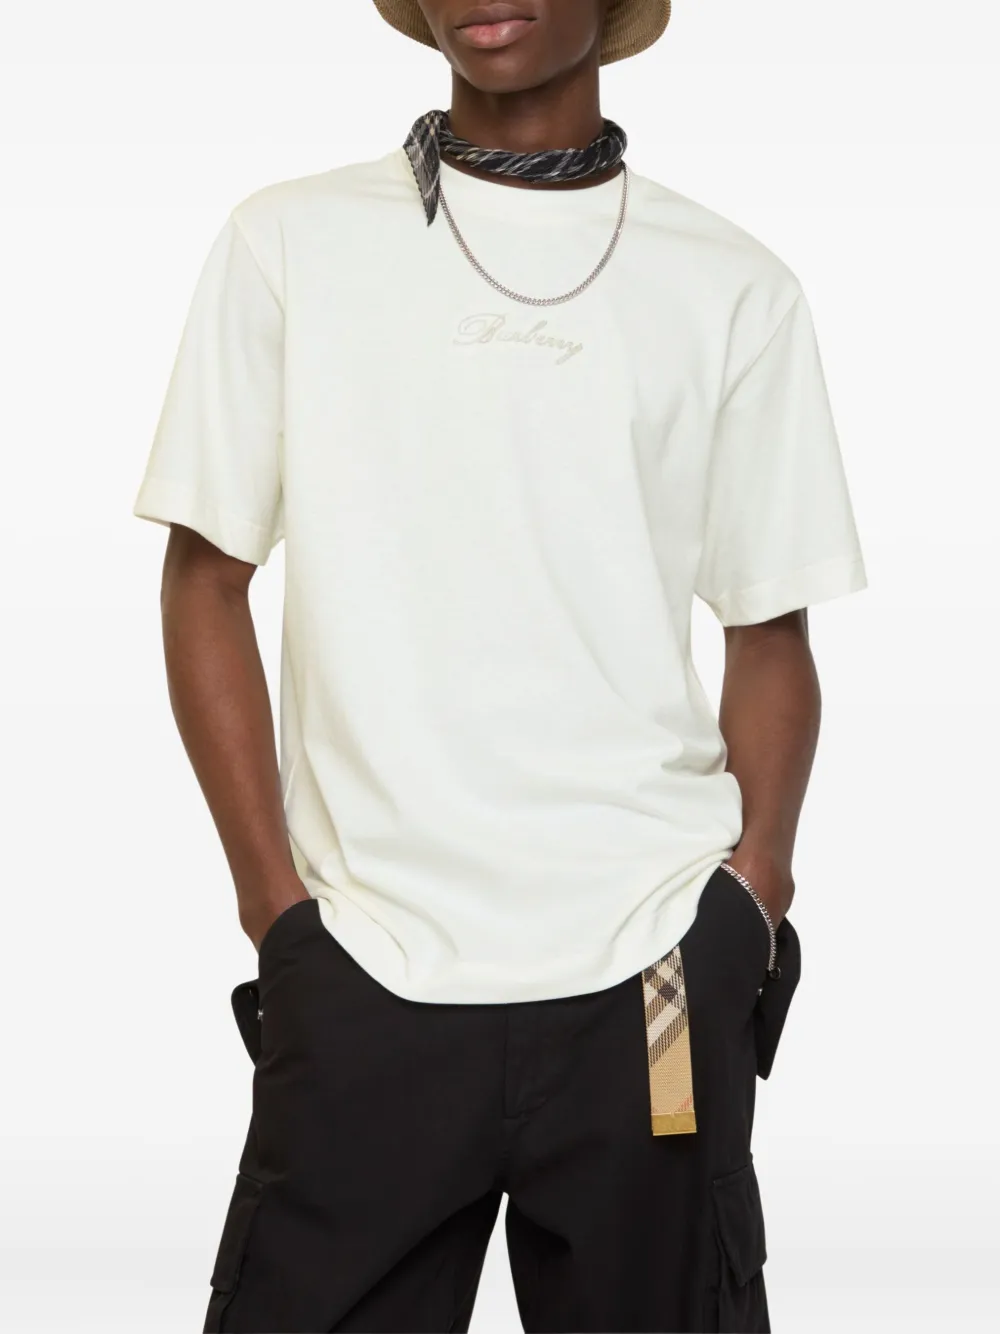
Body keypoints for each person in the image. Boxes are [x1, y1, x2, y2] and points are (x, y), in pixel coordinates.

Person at [133, 2, 866, 1329]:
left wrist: (749, 898)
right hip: (363, 965)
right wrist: (277, 915)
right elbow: (204, 578)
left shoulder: (732, 285)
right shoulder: (290, 243)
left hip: (654, 973)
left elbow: (770, 629)